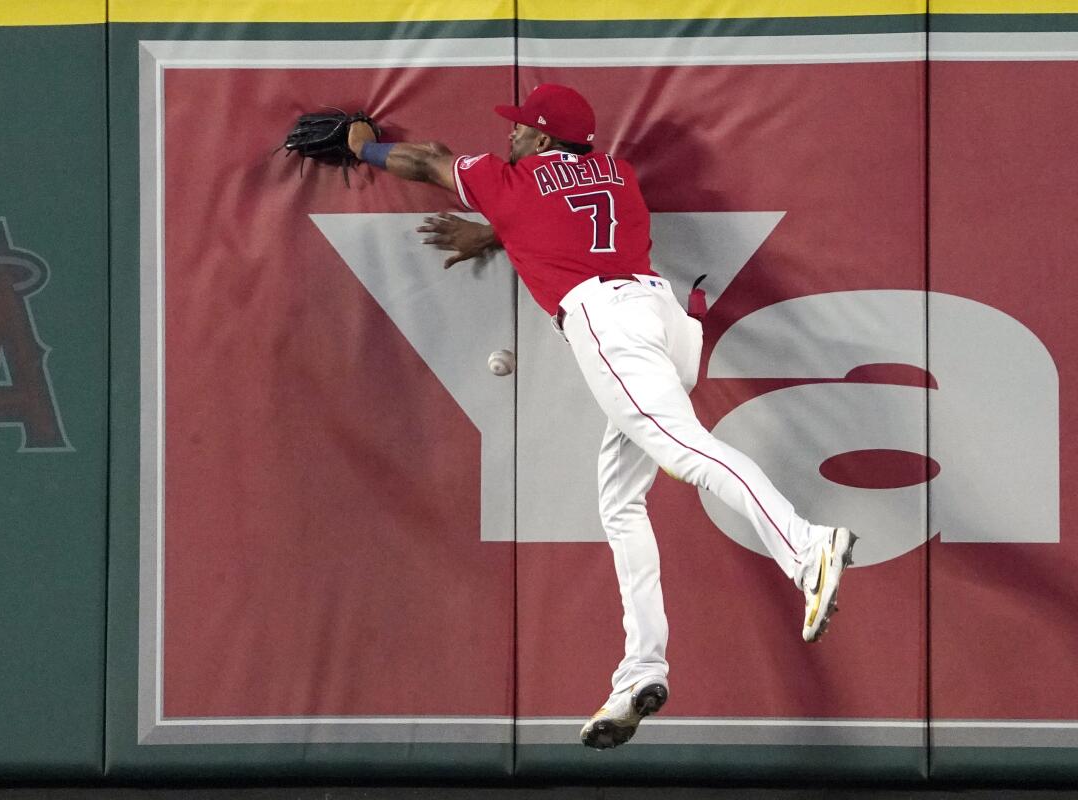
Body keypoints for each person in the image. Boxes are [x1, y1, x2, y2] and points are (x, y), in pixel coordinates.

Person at [345, 84, 857, 750]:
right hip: (662, 318)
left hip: (611, 327)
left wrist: (364, 146)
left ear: (542, 138)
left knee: (687, 452)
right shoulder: (614, 174)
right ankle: (640, 672)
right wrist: (494, 235)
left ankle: (807, 547)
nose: (511, 138)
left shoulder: (511, 178)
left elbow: (432, 159)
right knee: (620, 504)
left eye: (521, 131)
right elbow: (562, 224)